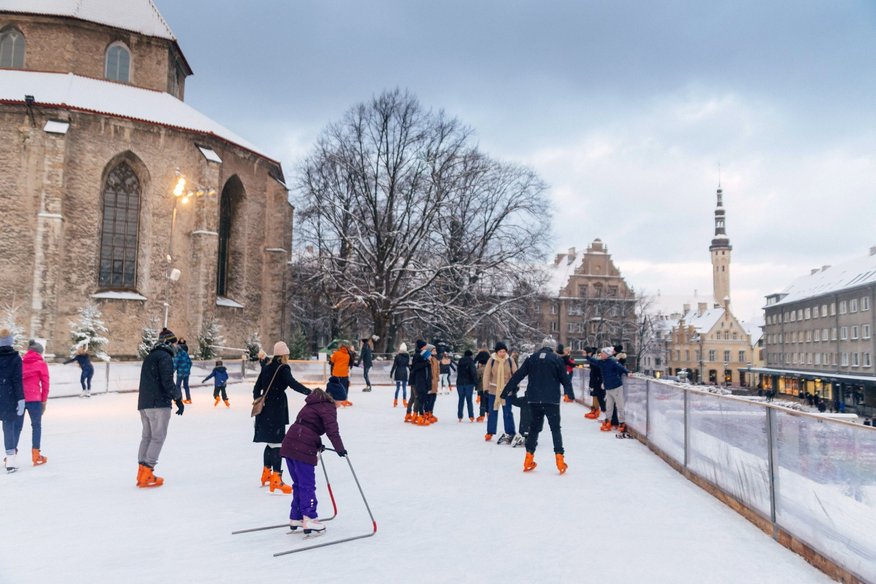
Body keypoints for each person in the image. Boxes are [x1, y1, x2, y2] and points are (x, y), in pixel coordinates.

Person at [280, 387, 347, 535]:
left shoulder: (313, 402)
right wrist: (340, 448)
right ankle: (309, 517)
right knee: (307, 484)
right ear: (334, 399)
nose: (340, 405)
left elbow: (307, 425)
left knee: (299, 483)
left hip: (290, 442)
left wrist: (317, 444)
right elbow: (332, 430)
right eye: (340, 401)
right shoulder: (328, 407)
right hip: (302, 446)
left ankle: (296, 517)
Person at [502, 336, 574, 473]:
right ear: (553, 348)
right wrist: (569, 394)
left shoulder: (532, 358)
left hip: (534, 398)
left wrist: (506, 391)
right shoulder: (556, 359)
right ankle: (560, 460)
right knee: (555, 429)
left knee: (534, 428)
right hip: (551, 399)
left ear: (542, 346)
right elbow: (565, 379)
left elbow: (518, 375)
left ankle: (528, 459)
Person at [254, 341, 312, 494]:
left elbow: (256, 388)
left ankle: (266, 474)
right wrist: (310, 393)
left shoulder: (266, 367)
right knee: (278, 444)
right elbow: (292, 383)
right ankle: (276, 480)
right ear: (284, 355)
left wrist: (261, 401)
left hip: (265, 410)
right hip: (276, 410)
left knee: (270, 443)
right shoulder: (283, 368)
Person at [136, 328, 184, 488]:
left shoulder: (150, 356)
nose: (177, 346)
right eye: (175, 343)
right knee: (157, 437)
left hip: (144, 404)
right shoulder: (165, 357)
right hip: (159, 404)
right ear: (169, 343)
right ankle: (148, 472)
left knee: (147, 437)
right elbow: (167, 382)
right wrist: (178, 398)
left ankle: (141, 471)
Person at [585, 347, 629, 433]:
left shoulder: (613, 361)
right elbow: (594, 361)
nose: (600, 354)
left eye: (602, 353)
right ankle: (608, 421)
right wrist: (587, 357)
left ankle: (622, 423)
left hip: (616, 387)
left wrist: (627, 372)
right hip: (608, 388)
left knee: (619, 406)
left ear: (607, 354)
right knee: (609, 406)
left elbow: (620, 367)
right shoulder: (602, 362)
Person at [20, 340, 49, 466]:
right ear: (39, 353)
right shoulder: (41, 364)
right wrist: (44, 400)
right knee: (36, 426)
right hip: (35, 399)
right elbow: (45, 383)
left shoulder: (20, 362)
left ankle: (11, 455)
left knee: (16, 427)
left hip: (20, 399)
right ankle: (36, 455)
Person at [482, 342, 518, 443]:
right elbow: (486, 375)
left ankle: (510, 432)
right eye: (500, 351)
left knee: (507, 412)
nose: (502, 353)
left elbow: (516, 374)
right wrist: (485, 388)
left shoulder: (510, 360)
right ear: (496, 352)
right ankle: (490, 431)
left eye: (504, 351)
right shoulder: (492, 360)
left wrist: (516, 386)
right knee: (492, 412)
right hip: (494, 390)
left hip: (506, 391)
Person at [1, 329, 24, 473]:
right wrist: (20, 398)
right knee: (8, 426)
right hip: (8, 396)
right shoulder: (15, 358)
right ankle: (10, 460)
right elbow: (17, 381)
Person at [408, 340, 432, 425]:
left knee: (420, 398)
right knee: (418, 398)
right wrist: (426, 363)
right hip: (418, 381)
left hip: (422, 381)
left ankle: (418, 415)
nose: (426, 347)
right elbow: (415, 367)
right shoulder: (418, 356)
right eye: (425, 346)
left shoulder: (423, 356)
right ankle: (418, 415)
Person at [455, 350, 478, 422]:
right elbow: (473, 373)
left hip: (460, 383)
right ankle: (471, 416)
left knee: (461, 399)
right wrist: (476, 383)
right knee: (469, 400)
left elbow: (458, 372)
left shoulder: (460, 362)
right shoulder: (471, 362)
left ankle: (460, 416)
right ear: (471, 355)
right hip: (469, 383)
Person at [584, 347, 605, 420]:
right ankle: (594, 409)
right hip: (595, 379)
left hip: (598, 380)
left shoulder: (598, 360)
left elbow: (597, 368)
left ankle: (597, 410)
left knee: (598, 395)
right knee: (594, 394)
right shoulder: (594, 358)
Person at [329, 342, 353, 407]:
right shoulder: (347, 355)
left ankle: (334, 400)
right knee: (344, 387)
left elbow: (332, 361)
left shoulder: (336, 353)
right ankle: (344, 400)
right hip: (344, 374)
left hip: (336, 373)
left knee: (335, 387)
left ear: (340, 348)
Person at [390, 343, 409, 408]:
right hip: (404, 372)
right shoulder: (407, 356)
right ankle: (404, 402)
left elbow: (394, 365)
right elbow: (408, 365)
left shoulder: (397, 356)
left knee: (397, 388)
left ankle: (395, 401)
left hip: (398, 372)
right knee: (404, 388)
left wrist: (391, 372)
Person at [174, 338, 193, 404]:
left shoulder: (177, 355)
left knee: (178, 386)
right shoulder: (185, 354)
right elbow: (190, 363)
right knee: (186, 386)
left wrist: (172, 371)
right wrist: (187, 369)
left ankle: (180, 399)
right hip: (186, 373)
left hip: (180, 373)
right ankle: (188, 399)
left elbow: (175, 364)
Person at [474, 349, 490, 422]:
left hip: (482, 387)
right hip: (490, 388)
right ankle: (489, 414)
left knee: (482, 402)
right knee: (489, 401)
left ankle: (482, 415)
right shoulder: (491, 368)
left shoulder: (480, 370)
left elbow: (477, 378)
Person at [426, 346, 441, 422]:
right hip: (429, 382)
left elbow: (438, 369)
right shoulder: (428, 359)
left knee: (433, 397)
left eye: (435, 350)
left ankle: (430, 412)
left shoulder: (435, 359)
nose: (435, 351)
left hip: (434, 381)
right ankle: (427, 413)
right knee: (429, 397)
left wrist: (437, 377)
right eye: (433, 350)